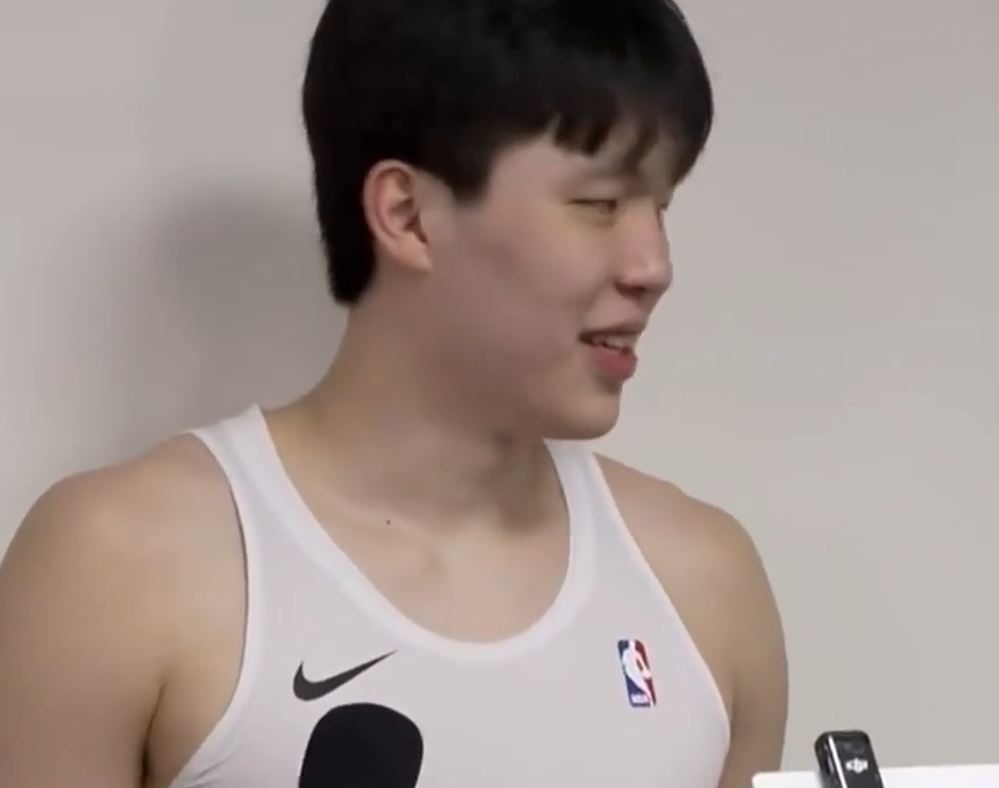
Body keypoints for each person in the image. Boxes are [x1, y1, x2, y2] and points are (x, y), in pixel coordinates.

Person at [0, 0, 788, 785]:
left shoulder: (704, 585)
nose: (653, 265)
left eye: (661, 207)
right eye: (598, 204)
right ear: (407, 215)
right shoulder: (118, 564)